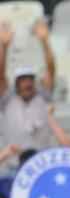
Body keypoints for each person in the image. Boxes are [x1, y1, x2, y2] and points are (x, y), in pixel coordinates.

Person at [0, 18, 58, 158]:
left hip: (40, 162)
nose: (27, 83)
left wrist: (45, 42)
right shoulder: (8, 99)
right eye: (23, 80)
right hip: (13, 162)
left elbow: (51, 69)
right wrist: (4, 46)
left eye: (30, 79)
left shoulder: (43, 96)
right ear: (16, 83)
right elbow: (0, 75)